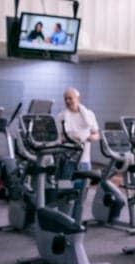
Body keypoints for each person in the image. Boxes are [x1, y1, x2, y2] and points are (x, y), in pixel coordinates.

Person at [55, 87, 99, 218]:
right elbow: (58, 137)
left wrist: (92, 138)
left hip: (84, 162)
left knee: (81, 194)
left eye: (70, 98)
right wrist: (70, 139)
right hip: (68, 161)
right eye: (65, 99)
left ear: (78, 99)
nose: (68, 101)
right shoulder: (61, 116)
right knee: (66, 193)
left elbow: (96, 133)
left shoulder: (89, 114)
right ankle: (63, 219)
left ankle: (76, 221)